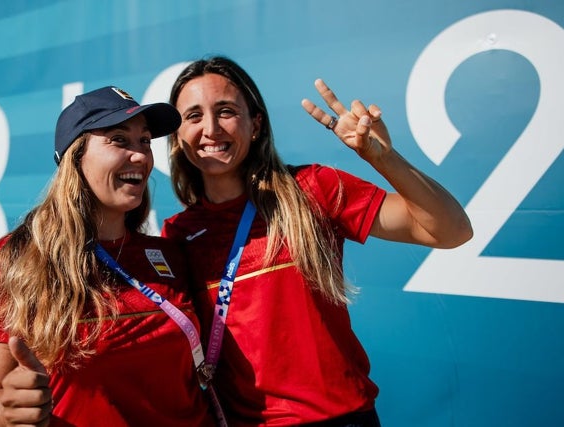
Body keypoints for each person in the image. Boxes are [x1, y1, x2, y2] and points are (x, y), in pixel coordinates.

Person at [161, 56, 473, 426]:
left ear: (256, 123)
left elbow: (451, 230)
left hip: (341, 418)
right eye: (193, 116)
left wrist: (383, 159)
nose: (211, 128)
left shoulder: (312, 189)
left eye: (226, 111)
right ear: (179, 137)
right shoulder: (177, 235)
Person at [0, 86, 216, 427]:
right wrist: (16, 409)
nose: (140, 156)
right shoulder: (15, 259)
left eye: (145, 141)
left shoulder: (167, 254)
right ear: (75, 157)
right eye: (119, 139)